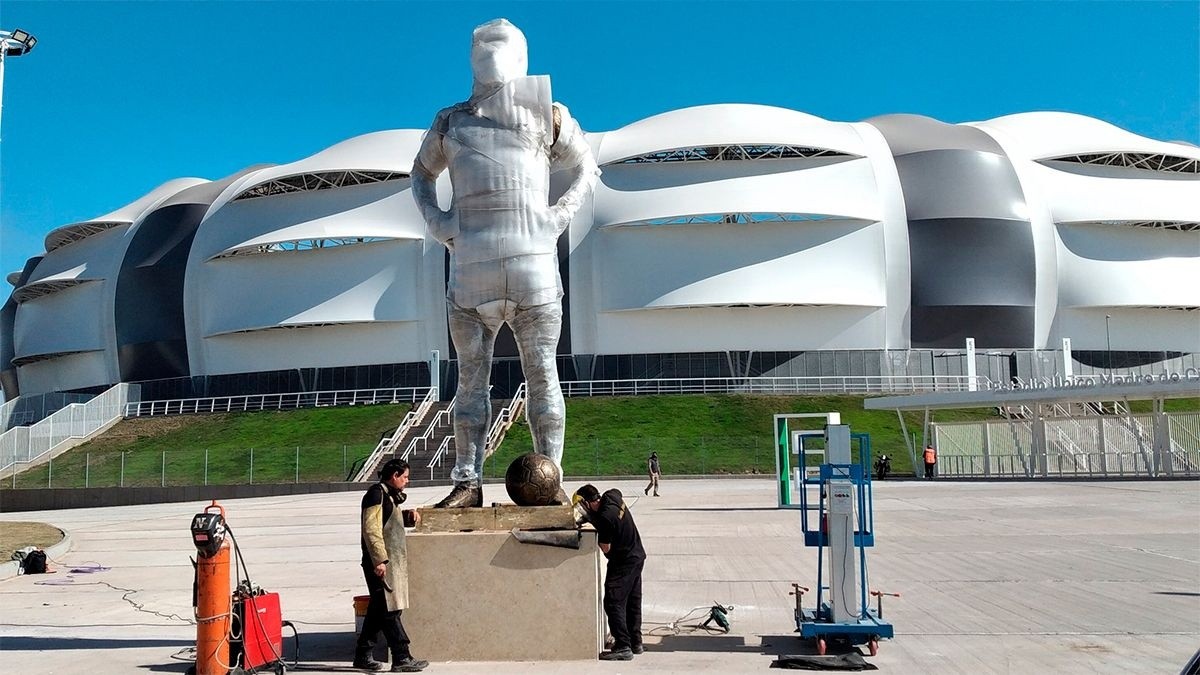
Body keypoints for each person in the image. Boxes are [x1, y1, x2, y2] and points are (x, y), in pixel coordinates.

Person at [412, 19, 600, 509]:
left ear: (521, 56)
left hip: (530, 264)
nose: (490, 52)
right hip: (471, 270)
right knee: (471, 382)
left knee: (541, 374)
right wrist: (438, 222)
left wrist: (557, 217)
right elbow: (421, 175)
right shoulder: (451, 121)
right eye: (481, 46)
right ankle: (468, 480)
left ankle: (550, 478)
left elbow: (586, 167)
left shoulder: (547, 114)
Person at [355, 459, 428, 672]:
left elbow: (387, 521)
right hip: (379, 564)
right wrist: (379, 559)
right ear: (394, 476)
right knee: (389, 611)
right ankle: (401, 656)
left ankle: (362, 655)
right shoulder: (376, 494)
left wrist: (407, 516)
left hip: (389, 563)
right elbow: (371, 529)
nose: (407, 481)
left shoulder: (387, 495)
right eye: (404, 477)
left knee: (379, 610)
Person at [573, 484, 646, 661]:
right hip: (637, 554)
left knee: (613, 602)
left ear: (586, 503)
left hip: (623, 562)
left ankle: (623, 646)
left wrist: (591, 518)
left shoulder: (605, 519)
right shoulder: (612, 496)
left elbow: (605, 548)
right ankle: (635, 642)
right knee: (632, 601)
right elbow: (618, 495)